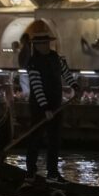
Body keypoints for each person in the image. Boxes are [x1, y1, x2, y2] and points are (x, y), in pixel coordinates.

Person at [25, 33, 82, 184]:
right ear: (36, 46)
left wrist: (75, 86)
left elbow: (66, 74)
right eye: (41, 44)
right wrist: (45, 108)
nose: (44, 46)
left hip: (56, 104)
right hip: (39, 106)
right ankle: (30, 172)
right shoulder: (33, 63)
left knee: (54, 140)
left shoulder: (56, 58)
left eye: (46, 43)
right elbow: (37, 87)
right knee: (35, 139)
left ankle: (52, 173)